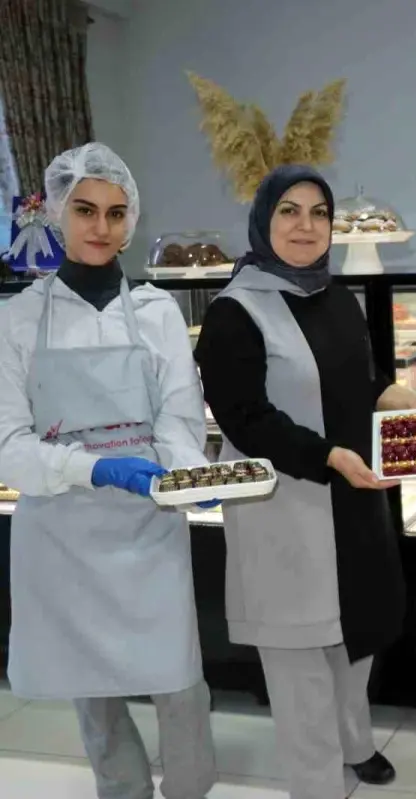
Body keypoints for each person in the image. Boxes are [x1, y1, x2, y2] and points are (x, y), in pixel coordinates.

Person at [193, 165, 416, 799]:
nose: (305, 226)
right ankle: (315, 783)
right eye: (289, 210)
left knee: (353, 635)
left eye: (319, 213)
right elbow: (247, 418)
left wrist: (411, 402)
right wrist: (329, 456)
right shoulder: (234, 313)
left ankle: (354, 742)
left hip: (351, 498)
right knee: (300, 660)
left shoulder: (335, 298)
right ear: (264, 220)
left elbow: (359, 382)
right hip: (284, 503)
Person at [0, 143, 217, 798]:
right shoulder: (16, 319)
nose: (101, 226)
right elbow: (8, 445)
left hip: (149, 525)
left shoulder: (156, 312)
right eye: (85, 210)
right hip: (60, 534)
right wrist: (96, 470)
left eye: (116, 213)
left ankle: (190, 789)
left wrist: (188, 477)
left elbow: (179, 418)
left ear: (131, 220)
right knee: (91, 689)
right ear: (57, 213)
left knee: (180, 681)